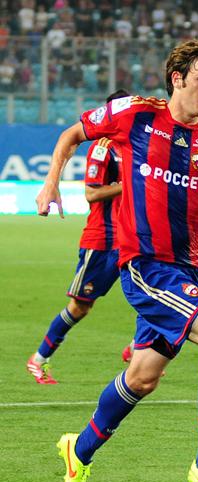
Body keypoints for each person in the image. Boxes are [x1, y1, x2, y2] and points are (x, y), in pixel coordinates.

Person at [35, 39, 198, 482]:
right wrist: (51, 184)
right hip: (145, 267)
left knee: (142, 378)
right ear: (177, 78)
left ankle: (77, 452)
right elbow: (71, 134)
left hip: (188, 271)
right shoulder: (135, 114)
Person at [27, 89, 132, 384]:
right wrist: (129, 184)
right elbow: (92, 193)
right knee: (80, 307)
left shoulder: (135, 146)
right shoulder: (102, 148)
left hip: (132, 238)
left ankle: (137, 349)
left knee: (154, 294)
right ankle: (39, 359)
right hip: (103, 240)